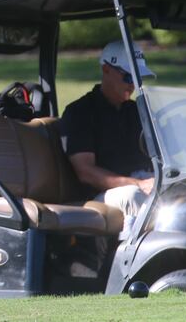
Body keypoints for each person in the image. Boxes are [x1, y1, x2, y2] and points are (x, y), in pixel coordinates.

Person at [61, 40, 156, 237]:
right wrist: (137, 184)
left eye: (138, 78)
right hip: (100, 196)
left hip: (141, 182)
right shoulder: (80, 112)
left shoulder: (138, 111)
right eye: (128, 77)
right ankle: (145, 262)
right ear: (106, 70)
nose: (133, 85)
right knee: (133, 196)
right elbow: (85, 171)